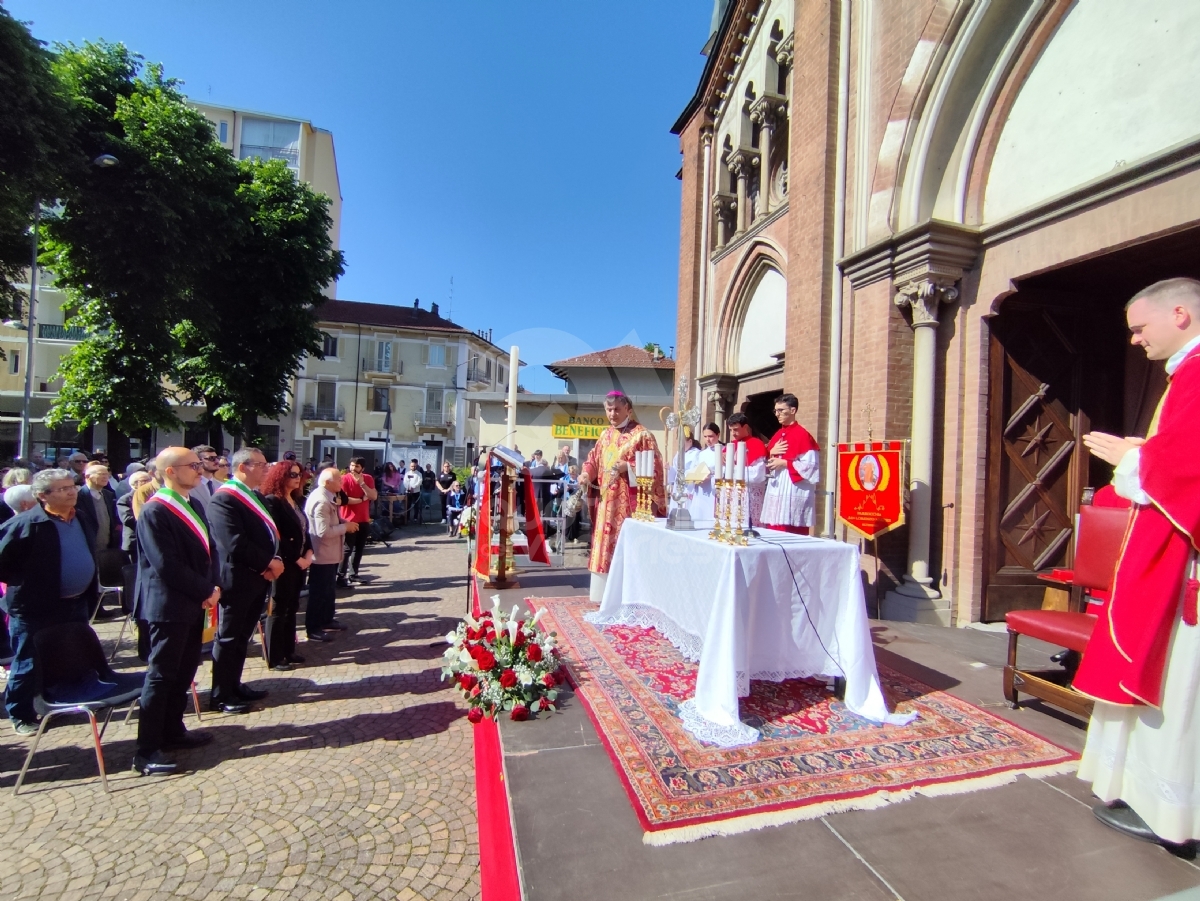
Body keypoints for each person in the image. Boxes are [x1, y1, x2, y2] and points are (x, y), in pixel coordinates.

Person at [1074, 277, 1200, 850]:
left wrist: (1136, 459)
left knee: (1175, 684)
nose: (1133, 340)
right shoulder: (1186, 374)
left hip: (1184, 568)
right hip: (1172, 555)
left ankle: (1170, 812)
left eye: (1139, 328)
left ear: (1179, 314)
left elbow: (1187, 473)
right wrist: (1145, 456)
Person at [131, 447, 221, 776]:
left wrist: (212, 587)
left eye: (200, 465)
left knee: (184, 671)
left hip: (195, 601)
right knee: (161, 675)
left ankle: (172, 730)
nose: (200, 470)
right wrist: (204, 590)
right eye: (193, 466)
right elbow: (165, 564)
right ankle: (146, 748)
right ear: (170, 471)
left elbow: (208, 551)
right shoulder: (156, 511)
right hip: (168, 606)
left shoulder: (193, 503)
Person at [0, 469, 97, 734]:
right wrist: (31, 580)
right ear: (42, 496)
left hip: (75, 603)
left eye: (72, 486)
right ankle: (20, 714)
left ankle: (58, 703)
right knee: (28, 662)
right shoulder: (26, 524)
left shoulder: (82, 518)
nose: (71, 492)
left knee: (66, 657)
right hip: (34, 608)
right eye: (62, 488)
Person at [207, 447, 281, 715]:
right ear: (243, 467)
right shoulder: (225, 499)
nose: (266, 469)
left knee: (242, 636)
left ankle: (234, 684)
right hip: (237, 578)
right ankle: (220, 693)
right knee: (228, 637)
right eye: (261, 464)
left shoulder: (253, 496)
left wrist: (275, 558)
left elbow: (267, 532)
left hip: (256, 577)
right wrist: (267, 562)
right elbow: (234, 542)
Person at [578, 391, 665, 603]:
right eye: (609, 409)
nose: (612, 413)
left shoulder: (641, 435)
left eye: (617, 409)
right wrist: (585, 474)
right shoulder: (605, 435)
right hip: (606, 503)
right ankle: (604, 594)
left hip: (630, 505)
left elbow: (656, 467)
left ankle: (629, 595)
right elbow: (593, 460)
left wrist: (630, 467)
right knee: (605, 546)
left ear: (628, 409)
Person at [260, 461, 313, 671]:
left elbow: (304, 529)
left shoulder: (297, 500)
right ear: (280, 476)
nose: (297, 478)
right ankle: (275, 655)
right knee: (278, 609)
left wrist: (308, 552)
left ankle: (289, 649)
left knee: (292, 607)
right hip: (285, 563)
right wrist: (295, 558)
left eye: (299, 474)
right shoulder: (273, 501)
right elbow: (276, 536)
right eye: (292, 474)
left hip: (301, 562)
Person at [306, 467, 356, 641]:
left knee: (328, 590)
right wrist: (345, 527)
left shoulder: (328, 497)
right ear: (328, 482)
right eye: (339, 480)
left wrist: (342, 522)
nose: (342, 483)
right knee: (319, 592)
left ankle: (326, 619)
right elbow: (323, 532)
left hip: (330, 553)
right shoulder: (321, 500)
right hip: (322, 554)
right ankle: (313, 627)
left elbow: (330, 521)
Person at [760, 394, 820, 535]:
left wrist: (786, 463)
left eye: (781, 410)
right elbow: (765, 460)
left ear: (793, 411)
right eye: (775, 411)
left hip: (792, 488)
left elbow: (812, 467)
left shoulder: (803, 435)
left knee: (790, 531)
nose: (777, 414)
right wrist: (770, 452)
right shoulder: (778, 434)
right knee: (774, 529)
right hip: (776, 487)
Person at [338, 457, 377, 587]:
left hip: (363, 518)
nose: (354, 469)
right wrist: (361, 499)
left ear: (363, 468)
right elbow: (344, 499)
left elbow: (373, 496)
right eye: (352, 465)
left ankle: (353, 574)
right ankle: (341, 576)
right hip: (348, 519)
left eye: (357, 466)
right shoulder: (344, 479)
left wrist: (362, 484)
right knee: (347, 549)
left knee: (359, 549)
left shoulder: (368, 478)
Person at [727, 413, 769, 527]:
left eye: (735, 429)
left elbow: (758, 474)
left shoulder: (757, 444)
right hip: (733, 494)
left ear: (745, 427)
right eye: (730, 430)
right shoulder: (731, 445)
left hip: (750, 495)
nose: (733, 433)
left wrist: (734, 470)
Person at [187, 445, 223, 511]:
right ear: (198, 461)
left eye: (217, 458)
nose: (217, 461)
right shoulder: (189, 487)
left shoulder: (222, 486)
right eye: (211, 458)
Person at [403, 459, 423, 523]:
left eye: (414, 466)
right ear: (410, 466)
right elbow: (405, 482)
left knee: (416, 505)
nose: (413, 467)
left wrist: (413, 487)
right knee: (407, 505)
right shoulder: (407, 473)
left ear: (416, 466)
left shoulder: (419, 474)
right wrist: (408, 487)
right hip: (408, 492)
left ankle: (415, 518)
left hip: (416, 492)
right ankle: (407, 518)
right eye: (412, 466)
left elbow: (420, 482)